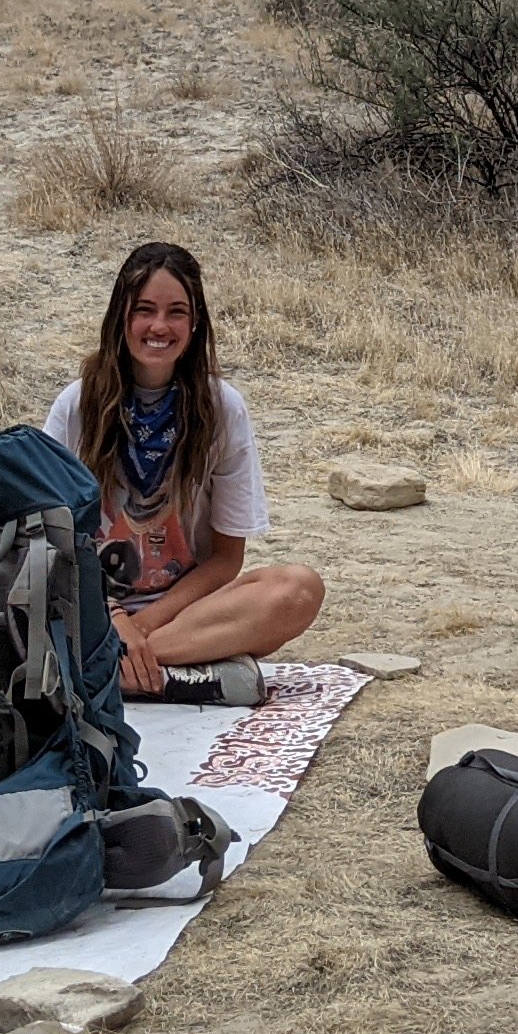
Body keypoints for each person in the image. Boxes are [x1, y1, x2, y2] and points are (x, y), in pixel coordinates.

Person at [43, 238, 324, 705]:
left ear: (195, 324)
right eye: (144, 310)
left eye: (176, 312)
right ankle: (165, 671)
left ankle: (117, 668)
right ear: (121, 319)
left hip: (184, 614)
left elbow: (226, 558)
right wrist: (113, 619)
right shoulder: (76, 405)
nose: (159, 326)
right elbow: (51, 544)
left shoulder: (222, 409)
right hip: (90, 607)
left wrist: (142, 629)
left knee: (298, 589)